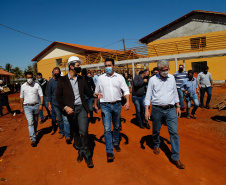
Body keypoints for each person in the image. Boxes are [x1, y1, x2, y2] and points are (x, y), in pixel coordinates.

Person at [56, 56, 99, 168]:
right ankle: (80, 151)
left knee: (84, 131)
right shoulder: (62, 80)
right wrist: (65, 107)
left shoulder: (81, 79)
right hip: (70, 111)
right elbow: (58, 97)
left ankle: (87, 155)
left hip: (82, 108)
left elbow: (88, 92)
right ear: (71, 66)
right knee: (75, 133)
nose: (80, 67)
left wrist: (94, 94)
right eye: (78, 65)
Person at [145, 59, 185, 169]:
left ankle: (176, 157)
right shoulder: (152, 80)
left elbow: (175, 92)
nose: (165, 72)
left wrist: (177, 106)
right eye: (163, 70)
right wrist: (146, 110)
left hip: (171, 109)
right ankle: (156, 144)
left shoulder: (172, 78)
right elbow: (148, 96)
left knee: (174, 132)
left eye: (167, 70)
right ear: (158, 70)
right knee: (156, 130)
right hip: (157, 109)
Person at [94, 58, 130, 162]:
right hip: (105, 105)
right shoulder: (100, 78)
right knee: (107, 128)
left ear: (113, 66)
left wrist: (127, 101)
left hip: (117, 104)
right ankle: (109, 151)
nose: (108, 67)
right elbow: (96, 92)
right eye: (106, 66)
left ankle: (115, 142)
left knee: (117, 125)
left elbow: (126, 90)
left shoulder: (120, 77)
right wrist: (95, 104)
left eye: (109, 65)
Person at [20, 72, 43, 146]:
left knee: (35, 122)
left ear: (33, 78)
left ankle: (34, 132)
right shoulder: (23, 86)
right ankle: (33, 139)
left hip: (36, 106)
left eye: (31, 77)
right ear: (26, 78)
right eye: (28, 77)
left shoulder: (37, 85)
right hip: (27, 106)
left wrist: (41, 104)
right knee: (30, 122)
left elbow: (41, 95)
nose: (29, 79)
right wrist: (21, 107)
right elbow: (21, 97)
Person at [48, 67, 71, 142]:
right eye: (55, 73)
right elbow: (49, 93)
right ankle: (61, 132)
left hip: (64, 103)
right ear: (53, 73)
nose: (56, 74)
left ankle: (67, 135)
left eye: (58, 72)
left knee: (66, 119)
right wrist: (49, 104)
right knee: (60, 119)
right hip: (55, 104)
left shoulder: (64, 80)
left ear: (60, 72)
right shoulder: (51, 82)